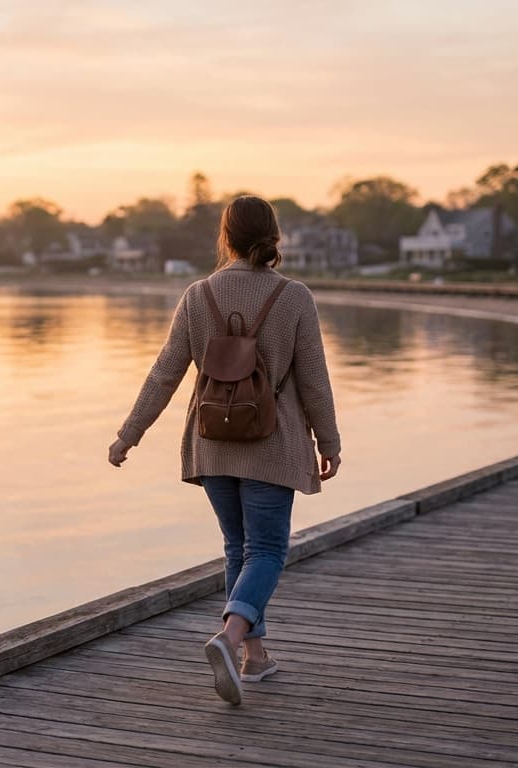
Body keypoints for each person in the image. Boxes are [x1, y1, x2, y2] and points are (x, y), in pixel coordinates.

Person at [108, 195, 342, 706]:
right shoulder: (294, 297)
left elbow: (165, 373)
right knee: (268, 550)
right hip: (271, 444)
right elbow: (315, 380)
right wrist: (329, 441)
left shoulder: (197, 295)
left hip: (211, 442)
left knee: (239, 548)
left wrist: (128, 435)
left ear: (226, 237)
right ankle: (230, 638)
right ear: (273, 236)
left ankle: (253, 660)